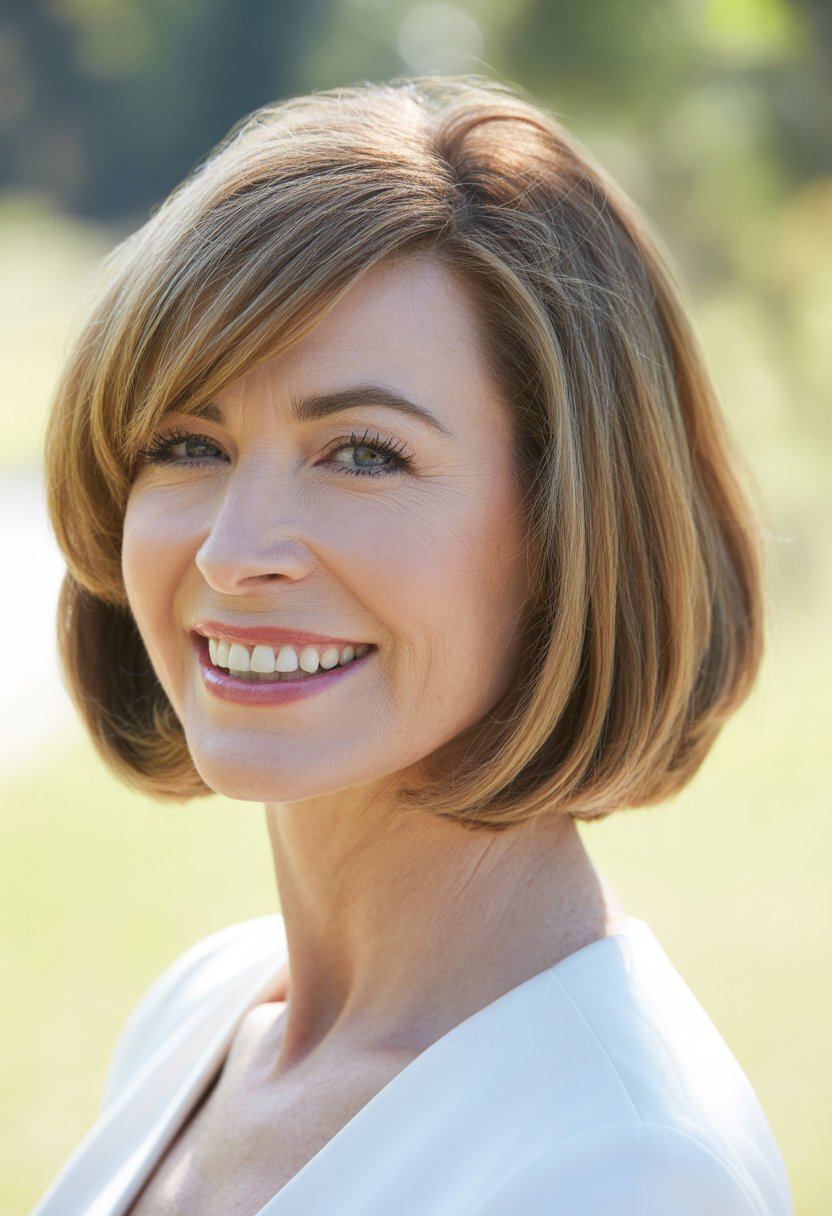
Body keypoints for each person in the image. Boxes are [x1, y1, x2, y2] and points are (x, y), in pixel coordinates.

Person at [32, 76, 793, 1215]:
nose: (236, 552)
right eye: (188, 443)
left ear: (567, 523)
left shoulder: (625, 1167)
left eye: (363, 453)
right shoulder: (206, 1012)